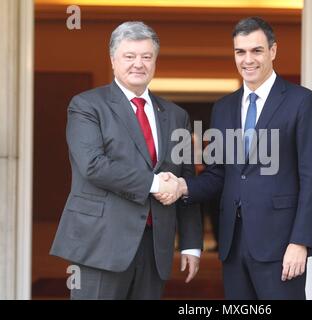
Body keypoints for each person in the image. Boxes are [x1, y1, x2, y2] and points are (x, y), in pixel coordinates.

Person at [157, 17, 312, 299]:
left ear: (272, 51)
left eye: (256, 50)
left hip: (281, 245)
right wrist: (182, 187)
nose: (248, 59)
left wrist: (301, 241)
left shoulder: (302, 102)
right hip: (233, 244)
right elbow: (219, 174)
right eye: (240, 52)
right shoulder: (224, 108)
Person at [50, 21, 202, 300]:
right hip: (101, 243)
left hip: (155, 246)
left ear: (155, 61)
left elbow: (186, 181)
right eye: (129, 56)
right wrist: (156, 184)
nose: (138, 64)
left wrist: (192, 243)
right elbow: (93, 165)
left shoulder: (177, 115)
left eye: (146, 56)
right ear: (113, 60)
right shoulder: (86, 105)